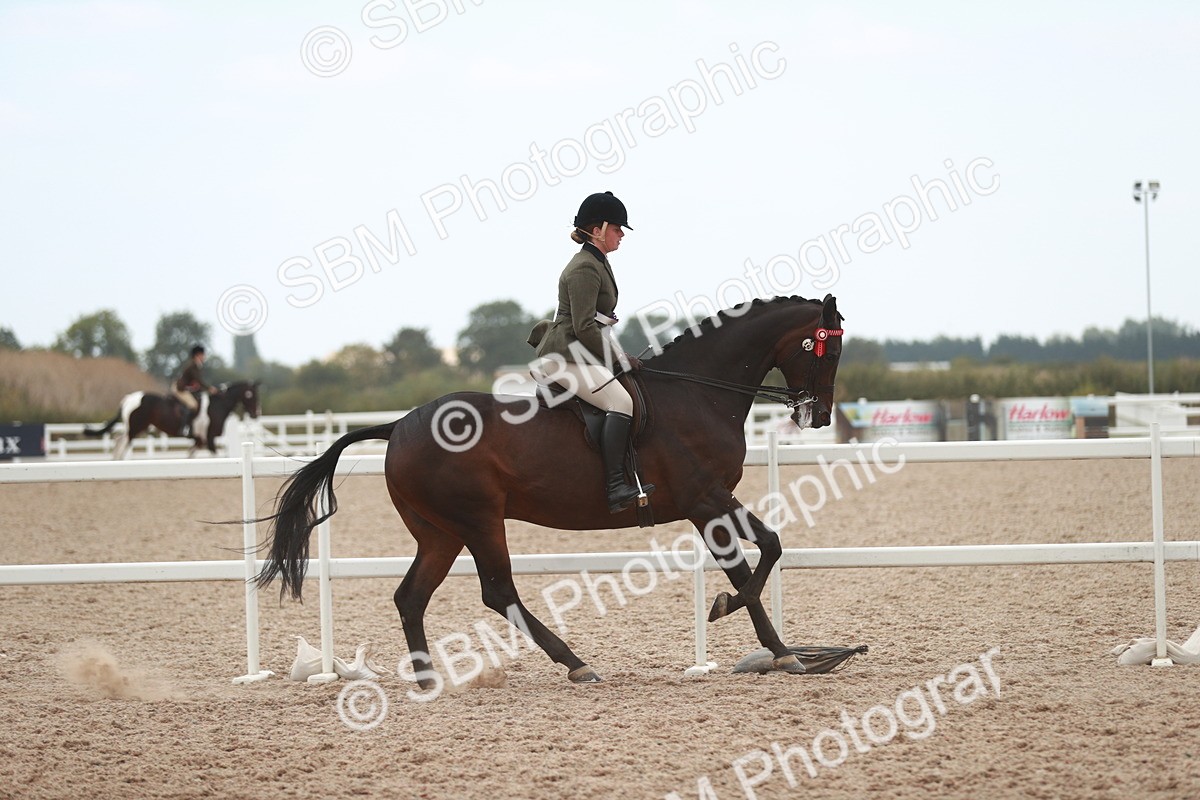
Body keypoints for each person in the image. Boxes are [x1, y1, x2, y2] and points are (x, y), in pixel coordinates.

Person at [527, 191, 655, 513]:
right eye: (617, 228)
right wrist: (618, 359)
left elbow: (598, 324)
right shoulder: (584, 267)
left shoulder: (597, 262)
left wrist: (620, 354)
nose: (622, 234)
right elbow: (584, 327)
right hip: (565, 355)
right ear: (597, 230)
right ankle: (615, 487)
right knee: (621, 402)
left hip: (579, 351)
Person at [174, 345, 217, 437]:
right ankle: (184, 428)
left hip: (187, 389)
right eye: (202, 355)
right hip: (180, 389)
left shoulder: (197, 366)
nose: (204, 357)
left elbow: (196, 383)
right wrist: (209, 388)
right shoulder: (193, 366)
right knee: (193, 405)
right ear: (197, 355)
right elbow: (198, 380)